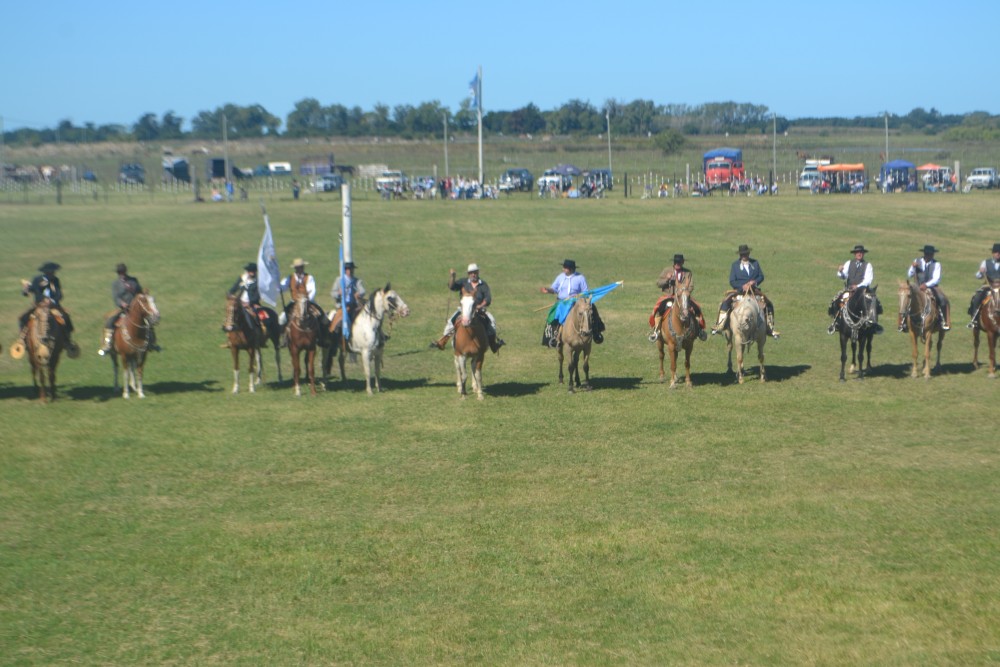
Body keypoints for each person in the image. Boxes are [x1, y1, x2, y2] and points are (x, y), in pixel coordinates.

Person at [430, 263, 505, 353]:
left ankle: (493, 345)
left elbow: (487, 299)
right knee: (451, 322)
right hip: (464, 310)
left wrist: (480, 306)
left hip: (479, 310)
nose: (473, 274)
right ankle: (442, 342)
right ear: (468, 274)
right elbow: (452, 287)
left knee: (491, 323)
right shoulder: (463, 282)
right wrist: (453, 277)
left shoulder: (483, 285)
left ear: (478, 272)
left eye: (475, 272)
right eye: (471, 273)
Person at [711, 244, 779, 338]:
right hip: (739, 292)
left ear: (748, 253)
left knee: (769, 304)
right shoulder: (735, 265)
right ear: (739, 255)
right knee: (725, 303)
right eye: (742, 254)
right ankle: (719, 325)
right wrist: (742, 287)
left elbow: (761, 276)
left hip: (754, 291)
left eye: (745, 254)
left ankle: (770, 328)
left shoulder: (755, 263)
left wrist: (754, 282)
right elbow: (732, 281)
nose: (744, 256)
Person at [17, 261, 79, 354]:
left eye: (53, 272)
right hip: (38, 306)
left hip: (53, 306)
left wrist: (52, 301)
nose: (52, 274)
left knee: (65, 317)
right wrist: (25, 289)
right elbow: (28, 292)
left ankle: (67, 341)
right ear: (45, 272)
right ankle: (24, 341)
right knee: (23, 318)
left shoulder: (56, 280)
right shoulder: (37, 279)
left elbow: (59, 295)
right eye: (50, 272)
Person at [99, 263, 160, 355]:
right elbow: (116, 297)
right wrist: (122, 303)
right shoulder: (115, 284)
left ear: (125, 272)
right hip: (123, 309)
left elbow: (139, 293)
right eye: (120, 272)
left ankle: (151, 343)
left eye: (122, 272)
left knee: (149, 321)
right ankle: (108, 344)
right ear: (118, 273)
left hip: (136, 308)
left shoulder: (133, 280)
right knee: (110, 322)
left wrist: (144, 295)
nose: (122, 274)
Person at [540, 259, 604, 347]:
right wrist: (548, 290)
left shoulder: (580, 278)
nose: (563, 269)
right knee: (553, 315)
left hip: (576, 302)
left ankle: (596, 332)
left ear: (570, 269)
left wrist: (577, 296)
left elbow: (586, 292)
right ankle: (554, 337)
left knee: (592, 309)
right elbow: (554, 289)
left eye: (565, 268)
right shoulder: (560, 277)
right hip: (562, 302)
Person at [648, 254, 707, 342]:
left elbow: (691, 286)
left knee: (696, 308)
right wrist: (667, 279)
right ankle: (656, 330)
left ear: (682, 263)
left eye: (679, 262)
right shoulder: (666, 271)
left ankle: (699, 330)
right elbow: (658, 283)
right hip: (669, 296)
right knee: (660, 309)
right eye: (675, 262)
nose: (677, 264)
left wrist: (683, 291)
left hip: (683, 296)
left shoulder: (688, 273)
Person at [827, 245, 883, 334]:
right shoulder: (849, 263)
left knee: (873, 302)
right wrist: (840, 271)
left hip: (862, 291)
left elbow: (868, 280)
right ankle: (836, 322)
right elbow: (843, 276)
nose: (859, 254)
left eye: (861, 252)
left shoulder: (868, 265)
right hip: (849, 291)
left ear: (863, 254)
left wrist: (858, 286)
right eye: (857, 252)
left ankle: (874, 325)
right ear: (855, 254)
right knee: (838, 300)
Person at [279, 258, 330, 339]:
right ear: (295, 268)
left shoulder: (309, 277)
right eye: (298, 267)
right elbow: (283, 288)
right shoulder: (290, 278)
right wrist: (278, 286)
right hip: (294, 302)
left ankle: (322, 337)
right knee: (281, 319)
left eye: (301, 267)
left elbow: (312, 290)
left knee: (322, 317)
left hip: (308, 301)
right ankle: (284, 337)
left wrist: (306, 300)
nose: (300, 269)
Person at [905, 244, 950, 331]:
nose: (929, 256)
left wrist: (926, 285)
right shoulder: (916, 261)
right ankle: (904, 322)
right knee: (906, 299)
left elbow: (936, 279)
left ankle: (944, 321)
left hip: (932, 287)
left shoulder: (937, 264)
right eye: (927, 254)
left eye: (930, 254)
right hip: (917, 287)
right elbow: (909, 274)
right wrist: (913, 267)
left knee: (942, 299)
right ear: (924, 254)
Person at [224, 262, 267, 333]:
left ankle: (262, 332)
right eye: (249, 271)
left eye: (252, 271)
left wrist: (249, 303)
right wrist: (229, 294)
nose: (251, 273)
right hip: (239, 303)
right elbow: (233, 289)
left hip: (252, 304)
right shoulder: (242, 278)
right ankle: (229, 337)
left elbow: (257, 296)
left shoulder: (259, 282)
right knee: (230, 315)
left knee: (263, 316)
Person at [329, 261, 368, 337]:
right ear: (345, 270)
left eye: (351, 269)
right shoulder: (339, 280)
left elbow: (363, 290)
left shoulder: (357, 281)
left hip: (354, 306)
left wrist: (359, 293)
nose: (350, 271)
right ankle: (333, 336)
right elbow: (332, 293)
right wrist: (338, 294)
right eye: (348, 269)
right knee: (336, 323)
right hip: (342, 306)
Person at [967, 242, 1000, 328]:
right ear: (993, 253)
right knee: (977, 297)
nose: (998, 254)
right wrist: (980, 272)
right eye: (997, 252)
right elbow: (978, 276)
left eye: (999, 252)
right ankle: (974, 319)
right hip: (988, 286)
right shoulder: (986, 262)